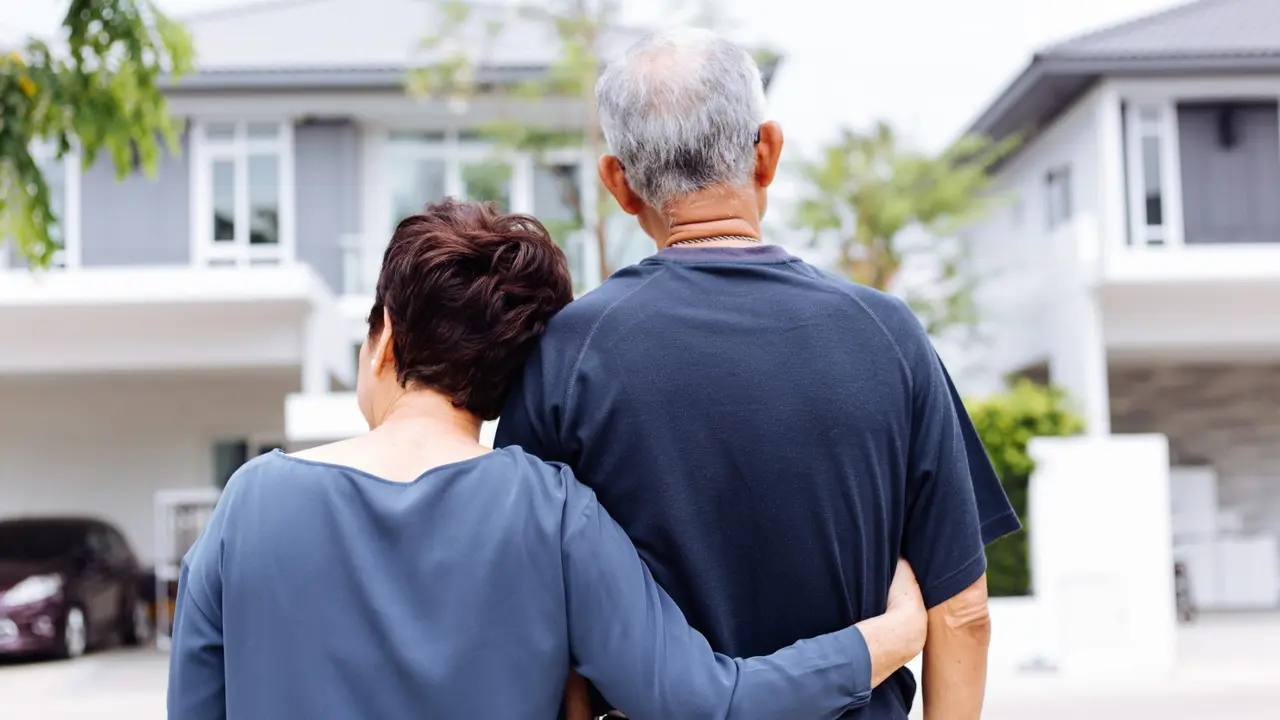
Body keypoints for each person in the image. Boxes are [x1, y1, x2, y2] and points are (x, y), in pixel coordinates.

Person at [165, 199, 930, 720]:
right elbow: (707, 704)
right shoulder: (553, 512)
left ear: (385, 338)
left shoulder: (249, 505)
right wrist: (888, 638)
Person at [495, 29, 1022, 720]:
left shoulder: (565, 356)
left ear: (619, 184)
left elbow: (537, 621)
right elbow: (962, 614)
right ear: (766, 151)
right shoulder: (888, 336)